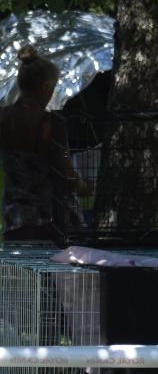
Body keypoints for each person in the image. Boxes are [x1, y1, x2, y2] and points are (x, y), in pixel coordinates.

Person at [1, 45, 93, 243]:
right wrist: (85, 187)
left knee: (21, 272)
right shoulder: (51, 124)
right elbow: (67, 176)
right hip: (48, 221)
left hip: (14, 219)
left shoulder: (3, 117)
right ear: (45, 87)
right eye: (53, 87)